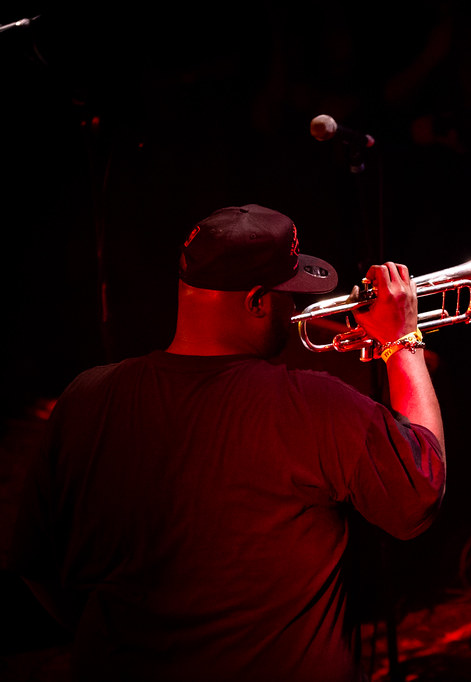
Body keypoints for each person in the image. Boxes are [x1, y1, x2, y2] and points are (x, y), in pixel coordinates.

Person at [10, 204, 446, 681]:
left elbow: (35, 564)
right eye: (288, 296)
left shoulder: (84, 397)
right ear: (257, 301)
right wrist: (403, 342)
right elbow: (418, 492)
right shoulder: (314, 404)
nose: (297, 310)